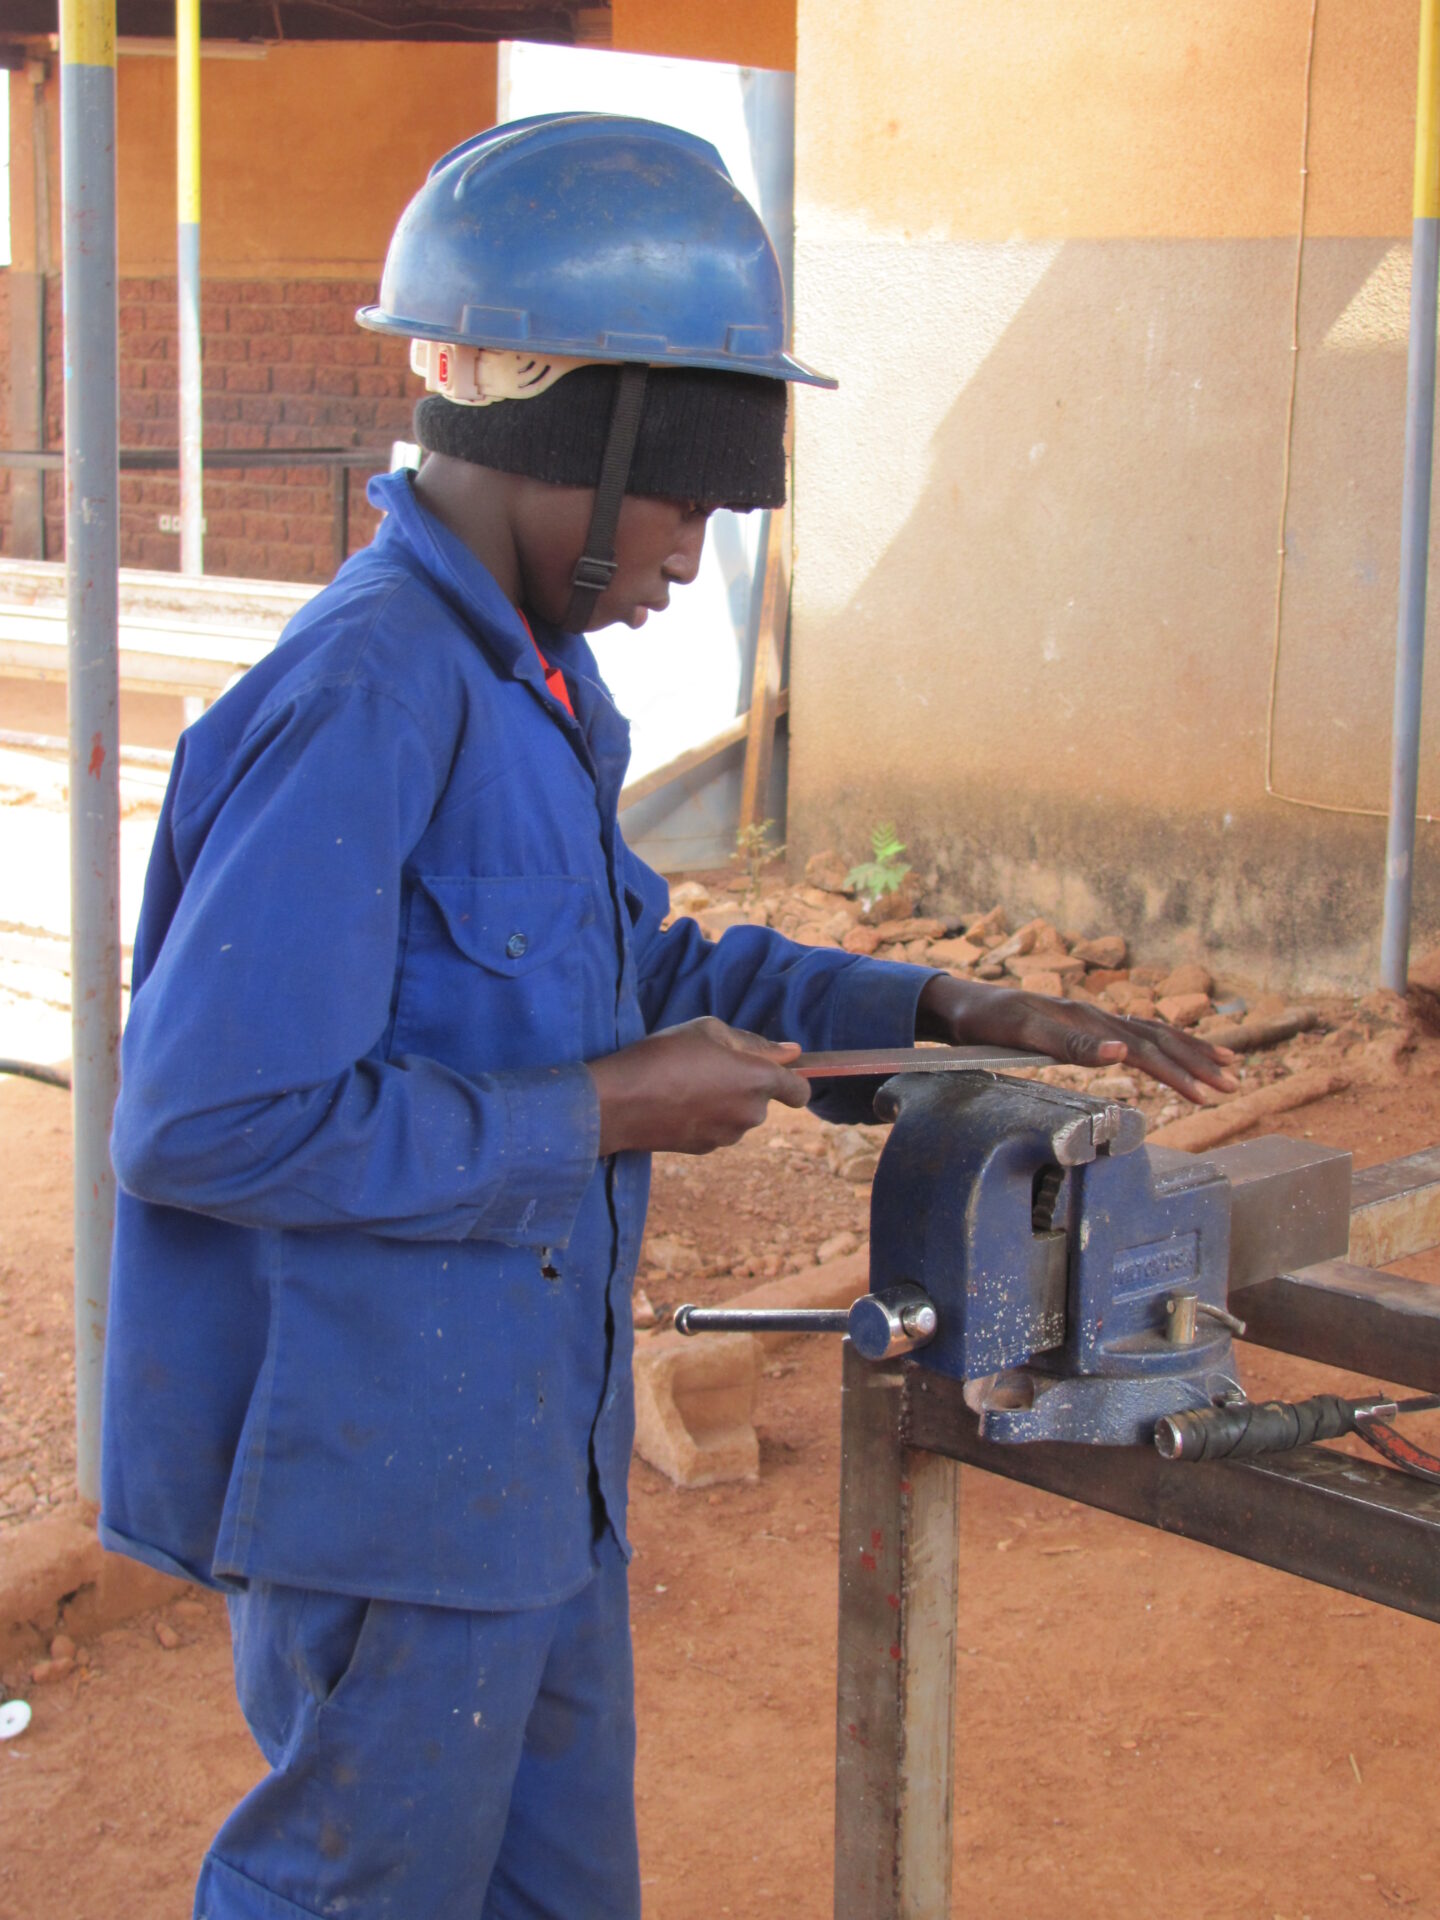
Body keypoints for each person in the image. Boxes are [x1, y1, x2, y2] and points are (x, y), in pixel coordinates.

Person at [100, 115, 1235, 1920]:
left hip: (533, 1465)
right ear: (580, 432)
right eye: (688, 502)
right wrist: (603, 1111)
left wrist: (954, 1003)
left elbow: (652, 969)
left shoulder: (537, 690)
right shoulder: (368, 701)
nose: (690, 563)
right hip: (385, 1492)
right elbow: (206, 1123)